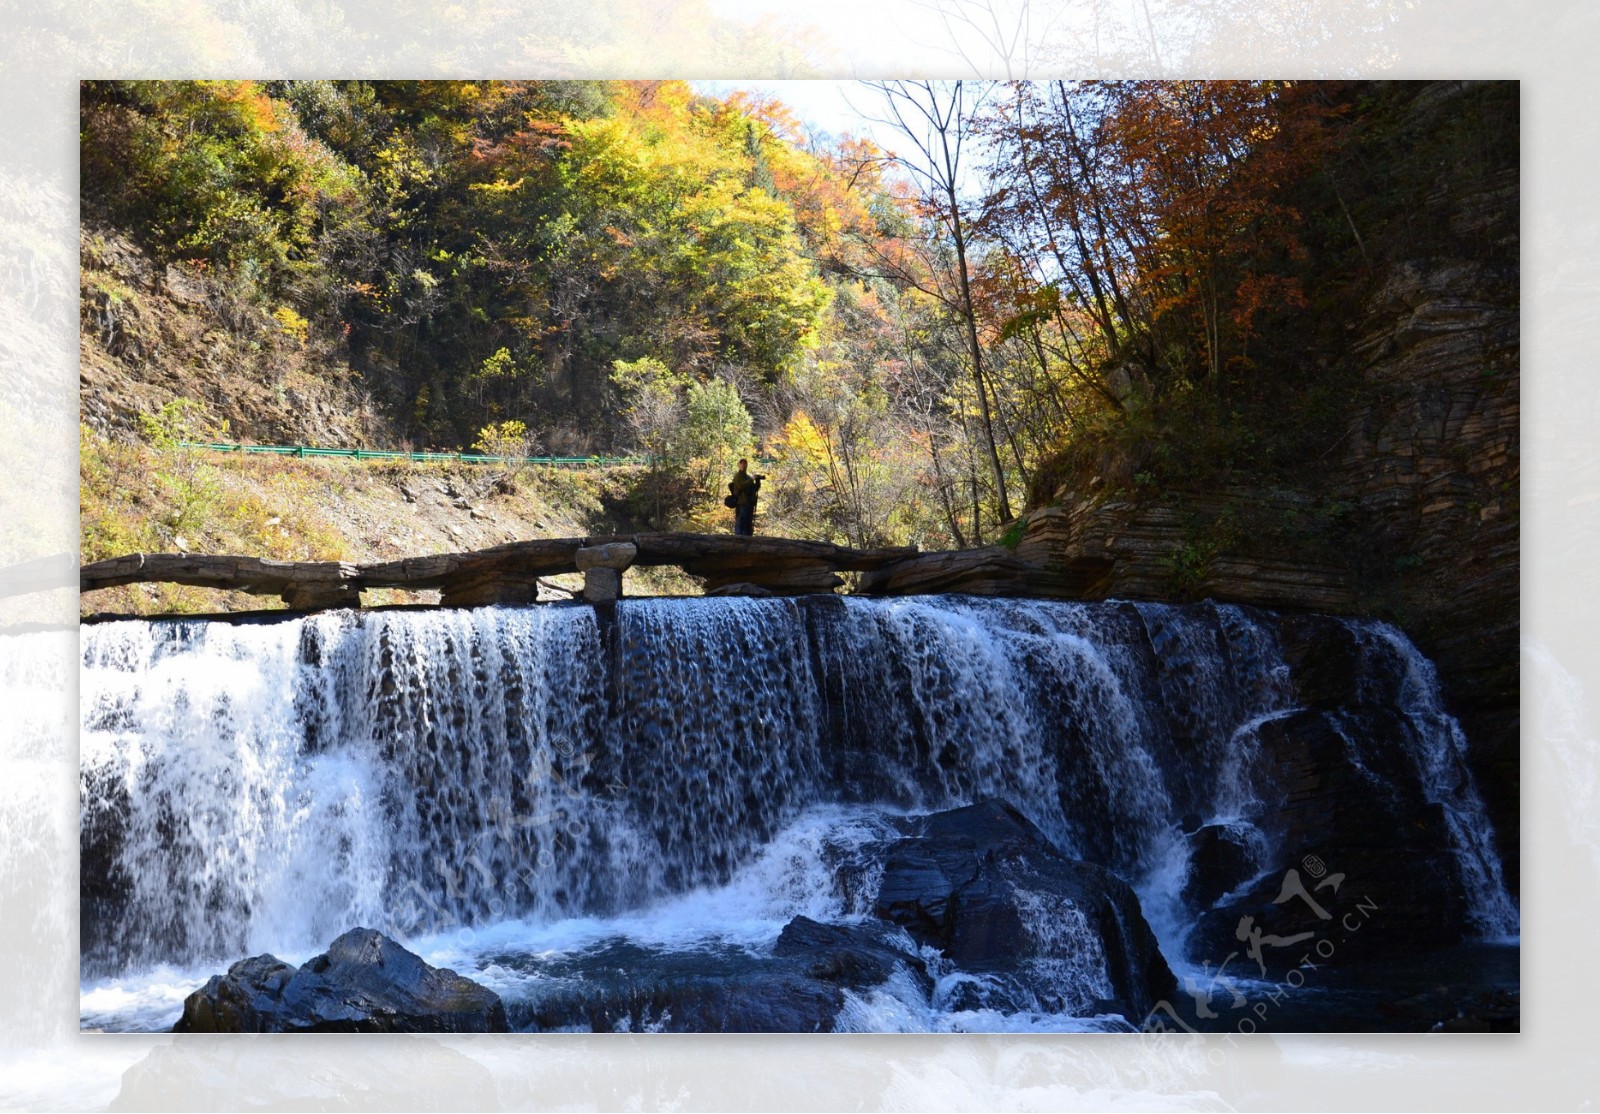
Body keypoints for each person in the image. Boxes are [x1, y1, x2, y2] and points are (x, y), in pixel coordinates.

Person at [727, 458, 763, 536]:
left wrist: (757, 481)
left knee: (748, 524)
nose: (743, 465)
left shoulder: (747, 477)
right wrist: (751, 479)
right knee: (740, 523)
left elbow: (754, 489)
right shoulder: (737, 476)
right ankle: (738, 541)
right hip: (741, 503)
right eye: (741, 463)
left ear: (747, 465)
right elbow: (741, 486)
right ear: (738, 465)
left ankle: (747, 540)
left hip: (749, 504)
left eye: (745, 464)